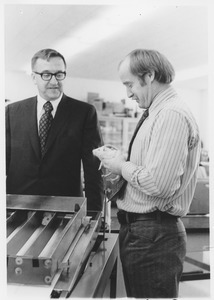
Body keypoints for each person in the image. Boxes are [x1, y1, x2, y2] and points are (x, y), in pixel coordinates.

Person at [102, 49, 201, 298]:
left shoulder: (170, 114)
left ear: (149, 76)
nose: (128, 93)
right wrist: (121, 161)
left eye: (129, 84)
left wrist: (120, 166)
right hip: (145, 232)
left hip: (153, 234)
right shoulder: (156, 112)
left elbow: (159, 184)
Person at [6, 48, 104, 212]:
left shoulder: (84, 112)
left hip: (65, 208)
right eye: (46, 74)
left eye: (59, 74)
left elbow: (93, 169)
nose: (54, 81)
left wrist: (94, 214)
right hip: (17, 206)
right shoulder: (12, 111)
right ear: (34, 78)